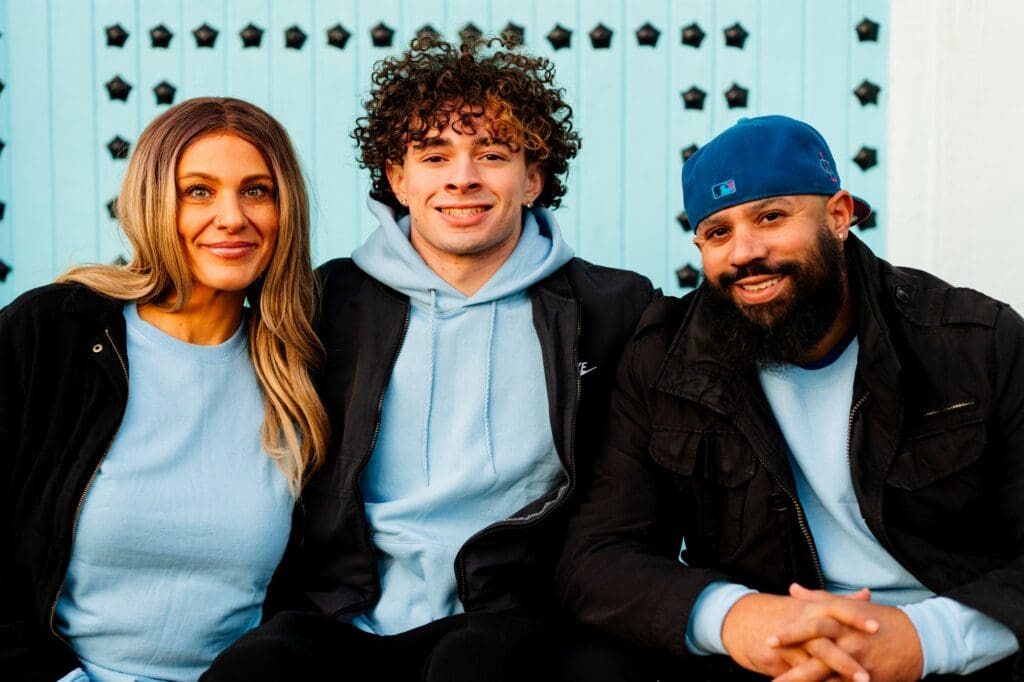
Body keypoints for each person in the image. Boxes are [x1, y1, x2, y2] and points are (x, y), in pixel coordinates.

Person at [203, 35, 655, 681]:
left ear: (533, 179)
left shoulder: (612, 308)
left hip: (514, 612)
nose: (462, 177)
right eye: (434, 154)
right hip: (345, 610)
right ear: (398, 178)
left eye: (492, 154)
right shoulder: (326, 301)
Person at [557, 115, 1022, 681]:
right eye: (718, 232)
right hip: (764, 652)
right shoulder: (663, 360)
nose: (744, 253)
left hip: (948, 646)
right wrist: (736, 618)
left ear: (839, 215)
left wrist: (927, 639)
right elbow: (598, 556)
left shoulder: (977, 343)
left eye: (770, 217)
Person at [0, 97, 329, 681]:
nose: (232, 218)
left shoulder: (303, 367)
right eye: (198, 191)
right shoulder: (53, 332)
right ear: (153, 202)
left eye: (257, 190)